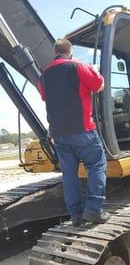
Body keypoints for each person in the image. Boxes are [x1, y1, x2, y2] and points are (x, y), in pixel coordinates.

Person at [38, 38, 108, 226]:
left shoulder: (44, 74)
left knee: (69, 174)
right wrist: (95, 71)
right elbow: (99, 85)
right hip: (83, 129)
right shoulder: (78, 66)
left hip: (59, 134)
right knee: (97, 165)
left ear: (56, 52)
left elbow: (45, 96)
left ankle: (76, 215)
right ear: (70, 52)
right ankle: (94, 210)